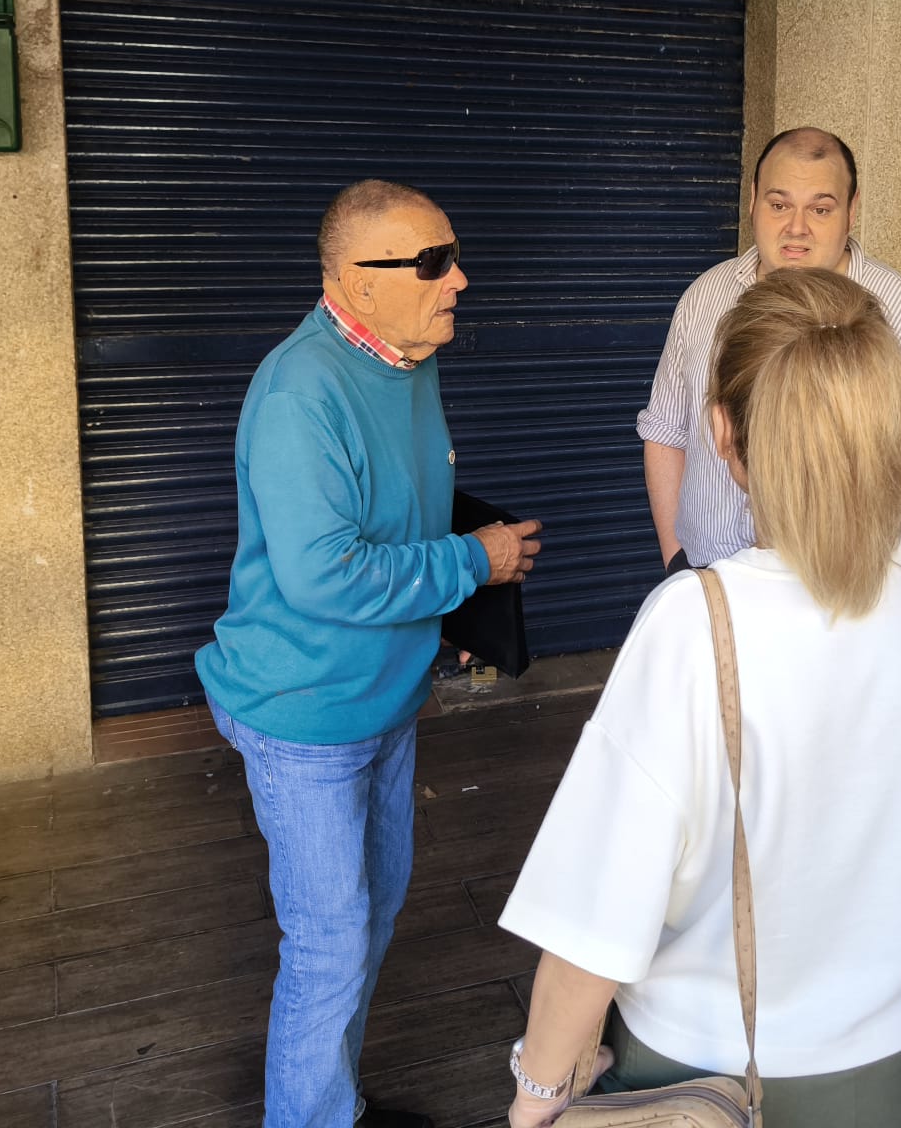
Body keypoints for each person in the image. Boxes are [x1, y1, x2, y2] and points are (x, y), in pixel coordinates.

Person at [499, 268, 901, 1128]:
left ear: (723, 435)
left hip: (700, 1083)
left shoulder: (693, 622)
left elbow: (592, 929)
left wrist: (538, 1095)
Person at [195, 180, 542, 1128]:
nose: (459, 279)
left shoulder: (406, 358)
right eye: (433, 263)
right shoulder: (299, 395)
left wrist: (458, 594)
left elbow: (396, 512)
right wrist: (471, 562)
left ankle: (332, 1103)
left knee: (372, 916)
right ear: (356, 282)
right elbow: (323, 576)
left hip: (386, 697)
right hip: (304, 712)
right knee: (329, 946)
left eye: (453, 255)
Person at [639, 125, 901, 570]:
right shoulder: (706, 295)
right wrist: (676, 560)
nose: (796, 229)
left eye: (820, 209)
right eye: (779, 205)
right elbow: (665, 431)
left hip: (837, 583)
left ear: (851, 211)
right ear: (753, 199)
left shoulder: (897, 307)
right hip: (713, 574)